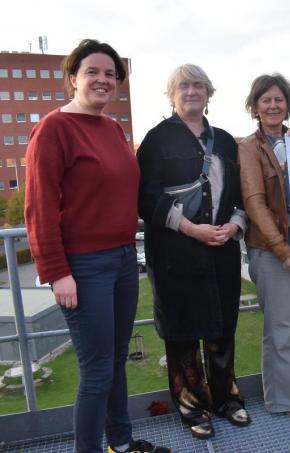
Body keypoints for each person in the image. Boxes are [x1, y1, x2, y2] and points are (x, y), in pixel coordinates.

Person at [24, 39, 168, 453]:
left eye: (110, 74)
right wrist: (57, 272)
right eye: (93, 72)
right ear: (73, 77)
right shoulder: (54, 129)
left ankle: (120, 444)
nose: (103, 80)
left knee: (116, 361)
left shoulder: (112, 128)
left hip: (123, 260)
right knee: (96, 371)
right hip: (83, 268)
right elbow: (39, 207)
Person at [137, 64, 249, 439]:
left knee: (223, 328)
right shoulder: (156, 140)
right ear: (171, 94)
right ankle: (192, 407)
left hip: (221, 250)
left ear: (208, 93)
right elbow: (146, 198)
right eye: (183, 85)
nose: (191, 91)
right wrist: (190, 228)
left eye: (199, 85)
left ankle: (227, 399)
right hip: (175, 254)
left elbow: (240, 195)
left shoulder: (226, 141)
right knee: (182, 333)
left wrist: (235, 225)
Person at [239, 73, 290, 418]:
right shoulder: (249, 147)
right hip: (270, 247)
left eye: (279, 99)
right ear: (255, 106)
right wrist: (281, 250)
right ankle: (281, 398)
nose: (273, 106)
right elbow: (254, 203)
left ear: (288, 104)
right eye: (266, 100)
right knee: (280, 328)